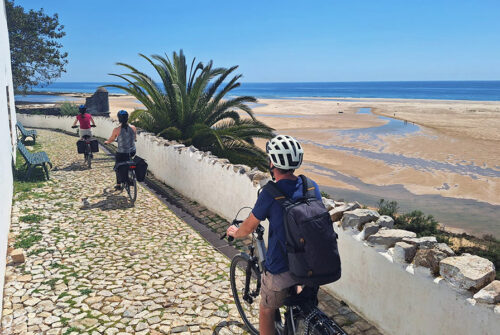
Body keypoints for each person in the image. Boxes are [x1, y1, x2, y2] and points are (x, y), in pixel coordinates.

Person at [226, 135, 323, 335]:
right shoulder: (311, 186)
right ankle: (296, 317)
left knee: (266, 309)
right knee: (298, 289)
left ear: (272, 163)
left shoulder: (270, 193)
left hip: (282, 267)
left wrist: (235, 233)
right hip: (315, 263)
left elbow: (249, 226)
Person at [104, 110, 137, 190]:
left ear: (119, 119)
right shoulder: (133, 128)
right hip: (132, 151)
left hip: (122, 153)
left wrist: (107, 142)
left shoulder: (116, 130)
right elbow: (135, 138)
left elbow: (111, 139)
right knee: (129, 160)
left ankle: (118, 184)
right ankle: (130, 174)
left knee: (118, 166)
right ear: (127, 118)